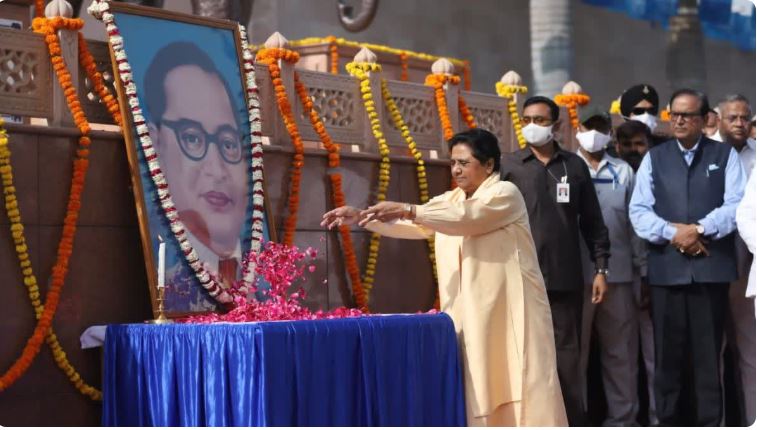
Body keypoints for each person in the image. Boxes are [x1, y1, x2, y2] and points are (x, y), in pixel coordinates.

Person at [321, 129, 568, 426]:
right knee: (478, 386)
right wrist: (361, 217)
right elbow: (417, 224)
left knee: (521, 384)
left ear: (489, 164)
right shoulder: (450, 200)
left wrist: (409, 209)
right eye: (452, 163)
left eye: (464, 163)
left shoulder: (505, 194)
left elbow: (465, 217)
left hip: (512, 312)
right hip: (470, 314)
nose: (456, 170)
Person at [629, 89, 746, 425]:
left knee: (708, 360)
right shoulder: (655, 157)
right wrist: (673, 233)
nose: (679, 121)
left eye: (687, 115)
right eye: (674, 114)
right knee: (667, 361)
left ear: (705, 119)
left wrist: (699, 229)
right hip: (667, 273)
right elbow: (639, 210)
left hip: (710, 272)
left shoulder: (724, 155)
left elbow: (736, 204)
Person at [500, 96, 610, 426]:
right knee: (524, 357)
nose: (532, 126)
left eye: (540, 120)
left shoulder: (573, 166)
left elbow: (593, 222)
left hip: (565, 279)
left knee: (567, 358)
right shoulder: (510, 166)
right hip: (521, 278)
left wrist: (600, 268)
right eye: (527, 120)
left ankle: (571, 421)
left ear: (557, 125)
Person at [144, 42, 249, 308]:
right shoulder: (164, 275)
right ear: (156, 145)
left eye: (228, 143)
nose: (216, 169)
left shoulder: (267, 281)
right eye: (192, 138)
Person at [575, 106, 642, 426]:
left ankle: (623, 420)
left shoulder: (623, 171)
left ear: (609, 133)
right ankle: (575, 418)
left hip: (619, 277)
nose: (594, 134)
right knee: (576, 354)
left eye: (600, 128)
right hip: (577, 276)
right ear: (576, 129)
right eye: (588, 126)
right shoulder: (566, 167)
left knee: (621, 354)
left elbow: (635, 225)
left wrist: (641, 271)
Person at [614, 118, 659, 426]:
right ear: (617, 147)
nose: (633, 150)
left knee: (655, 355)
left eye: (639, 144)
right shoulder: (619, 174)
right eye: (627, 145)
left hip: (654, 277)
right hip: (618, 277)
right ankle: (624, 419)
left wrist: (645, 274)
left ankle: (658, 418)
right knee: (622, 355)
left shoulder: (659, 174)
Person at [717, 94, 756, 425]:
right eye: (733, 118)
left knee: (751, 352)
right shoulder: (705, 153)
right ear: (718, 119)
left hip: (748, 270)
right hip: (711, 267)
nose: (740, 124)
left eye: (746, 118)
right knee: (711, 352)